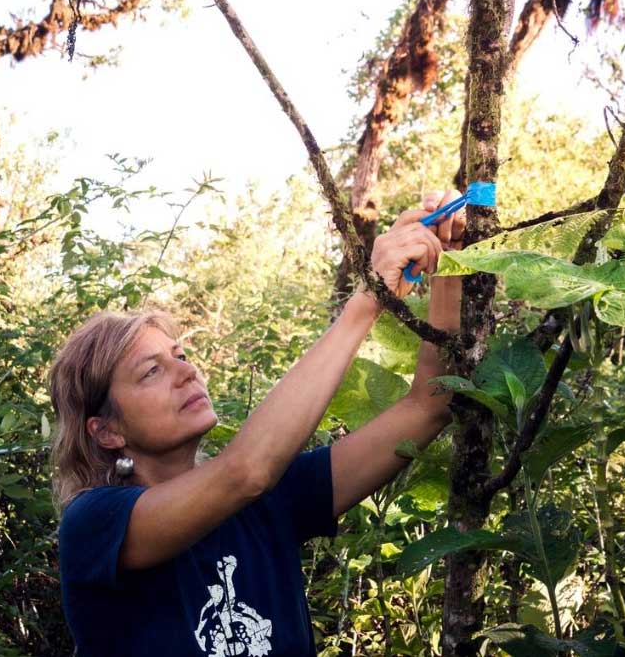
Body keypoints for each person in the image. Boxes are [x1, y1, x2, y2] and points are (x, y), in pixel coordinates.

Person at [49, 190, 466, 656]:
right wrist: (368, 299)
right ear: (107, 431)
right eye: (151, 371)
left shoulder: (271, 501)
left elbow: (433, 402)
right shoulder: (95, 525)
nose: (186, 372)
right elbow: (246, 471)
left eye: (181, 356)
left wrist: (449, 262)